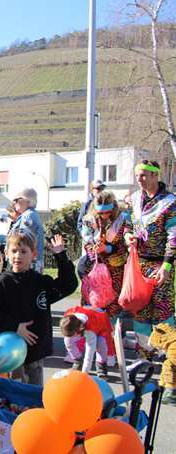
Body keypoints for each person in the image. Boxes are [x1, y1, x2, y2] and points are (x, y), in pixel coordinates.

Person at [0, 232, 76, 385]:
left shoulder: (40, 281)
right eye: (14, 251)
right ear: (7, 253)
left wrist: (61, 256)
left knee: (35, 393)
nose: (18, 256)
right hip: (12, 353)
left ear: (34, 254)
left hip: (36, 353)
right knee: (16, 393)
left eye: (23, 251)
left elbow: (68, 286)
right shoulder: (2, 282)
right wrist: (15, 327)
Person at [124, 159, 176, 358]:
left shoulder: (170, 202)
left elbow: (174, 236)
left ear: (155, 175)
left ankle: (170, 356)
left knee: (163, 309)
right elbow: (128, 224)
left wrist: (166, 266)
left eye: (144, 175)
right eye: (137, 175)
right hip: (140, 263)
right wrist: (128, 236)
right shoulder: (135, 199)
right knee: (140, 309)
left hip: (160, 263)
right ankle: (144, 354)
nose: (139, 179)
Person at [79, 191, 128, 318]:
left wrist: (107, 248)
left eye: (107, 212)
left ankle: (111, 328)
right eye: (100, 213)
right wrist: (94, 249)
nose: (104, 215)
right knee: (92, 304)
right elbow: (87, 242)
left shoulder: (122, 219)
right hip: (94, 268)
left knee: (112, 307)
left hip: (115, 270)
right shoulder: (89, 220)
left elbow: (123, 245)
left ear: (113, 208)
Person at [60, 306, 114, 376]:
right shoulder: (68, 319)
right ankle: (78, 362)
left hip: (102, 327)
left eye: (72, 334)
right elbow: (69, 335)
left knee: (101, 345)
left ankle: (101, 366)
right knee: (68, 340)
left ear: (79, 329)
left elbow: (89, 353)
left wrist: (84, 373)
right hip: (85, 322)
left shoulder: (89, 329)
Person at [10, 188, 44, 272]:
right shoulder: (30, 214)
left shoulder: (28, 216)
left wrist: (0, 238)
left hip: (27, 262)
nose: (15, 203)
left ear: (28, 201)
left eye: (17, 200)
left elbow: (21, 239)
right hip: (31, 260)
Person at [148, 323, 176, 405]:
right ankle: (166, 389)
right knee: (167, 364)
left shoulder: (173, 347)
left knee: (168, 365)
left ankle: (170, 392)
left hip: (172, 383)